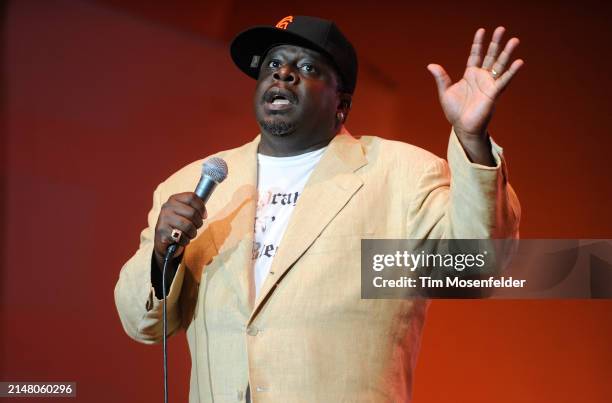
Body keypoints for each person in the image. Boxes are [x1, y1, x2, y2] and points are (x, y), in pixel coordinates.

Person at [114, 15, 522, 402]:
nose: (283, 73)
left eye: (307, 67)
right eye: (273, 63)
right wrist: (160, 255)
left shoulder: (400, 173)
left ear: (341, 104)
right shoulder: (193, 186)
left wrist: (472, 138)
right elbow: (141, 324)